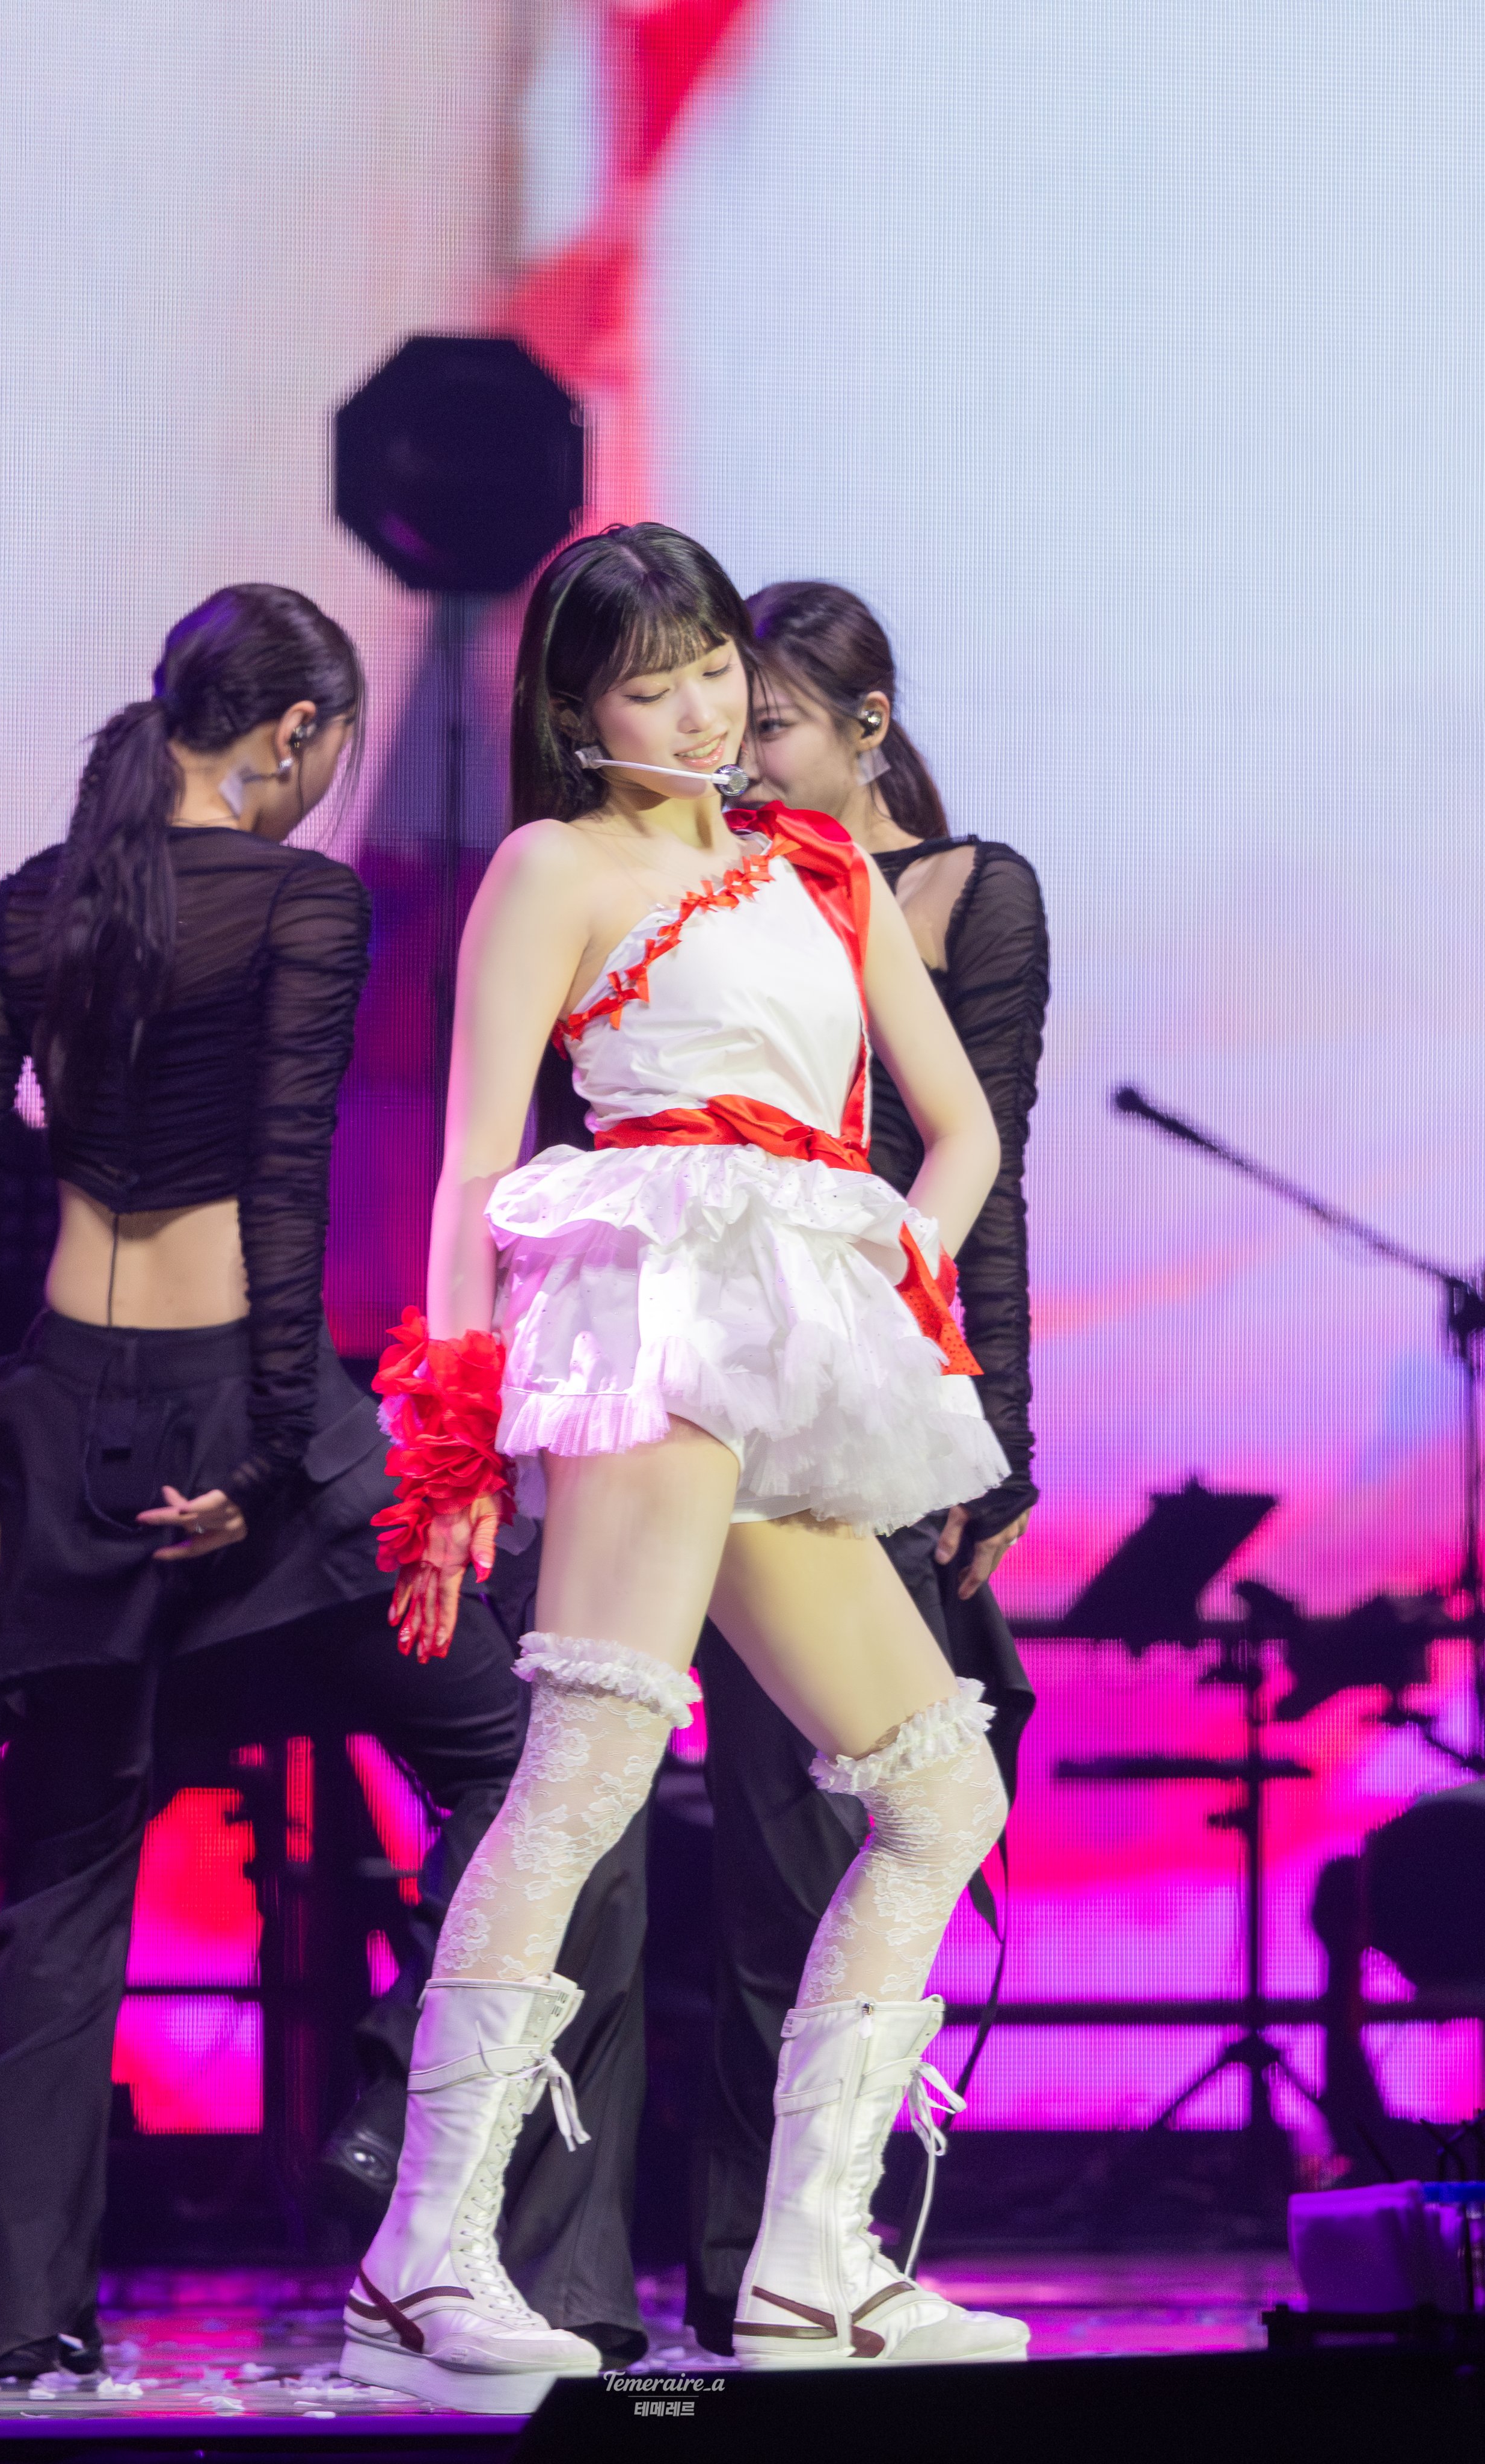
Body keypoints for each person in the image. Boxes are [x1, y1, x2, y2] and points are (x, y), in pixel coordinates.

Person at [339, 523, 1030, 2409]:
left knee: (939, 1792)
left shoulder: (818, 864)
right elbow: (474, 1161)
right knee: (585, 1775)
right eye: (653, 685)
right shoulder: (552, 867)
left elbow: (958, 1128)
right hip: (648, 1313)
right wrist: (456, 1427)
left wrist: (891, 1277)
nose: (703, 708)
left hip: (791, 1348)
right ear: (577, 709)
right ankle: (424, 2253)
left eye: (714, 667)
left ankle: (811, 2261)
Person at [0, 582, 535, 2382]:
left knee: (67, 1878)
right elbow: (284, 1182)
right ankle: (392, 2103)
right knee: (509, 1747)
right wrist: (265, 1446)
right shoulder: (301, 905)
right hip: (247, 1413)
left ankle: (8, 2317)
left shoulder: (30, 904)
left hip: (63, 1421)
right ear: (296, 733)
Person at [683, 579, 1050, 2350]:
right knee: (761, 1844)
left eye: (767, 726)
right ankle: (751, 2263)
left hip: (891, 1402)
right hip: (733, 1393)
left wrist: (998, 1433)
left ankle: (833, 2244)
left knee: (897, 1822)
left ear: (866, 726)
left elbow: (991, 1157)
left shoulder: (968, 891)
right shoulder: (728, 882)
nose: (739, 758)